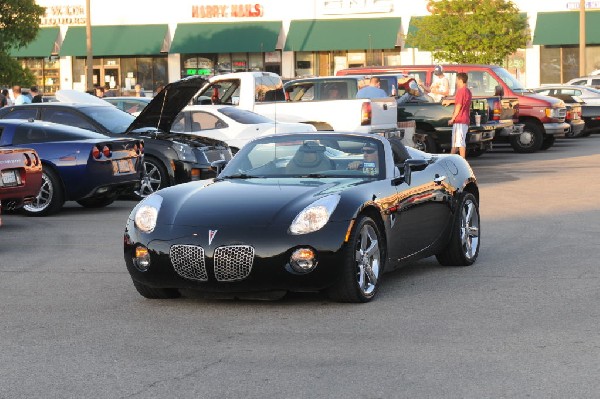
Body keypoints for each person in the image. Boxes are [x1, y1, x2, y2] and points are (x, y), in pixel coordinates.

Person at [448, 72, 472, 159]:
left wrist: (452, 119)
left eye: (457, 80)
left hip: (459, 120)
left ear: (460, 80)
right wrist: (450, 101)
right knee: (457, 142)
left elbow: (459, 105)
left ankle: (461, 161)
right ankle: (452, 160)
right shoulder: (468, 91)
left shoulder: (460, 91)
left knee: (458, 143)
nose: (456, 82)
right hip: (465, 119)